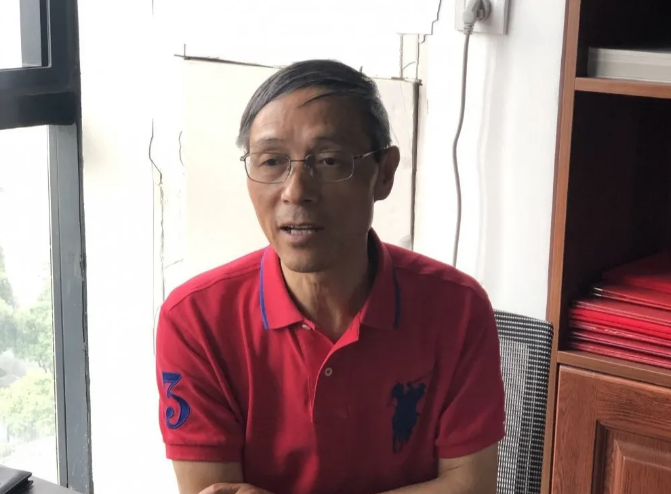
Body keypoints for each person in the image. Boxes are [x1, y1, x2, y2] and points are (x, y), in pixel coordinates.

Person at [156, 59, 505, 494]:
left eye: (328, 160)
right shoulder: (195, 319)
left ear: (384, 173)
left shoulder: (457, 308)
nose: (296, 191)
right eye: (271, 161)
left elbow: (472, 486)